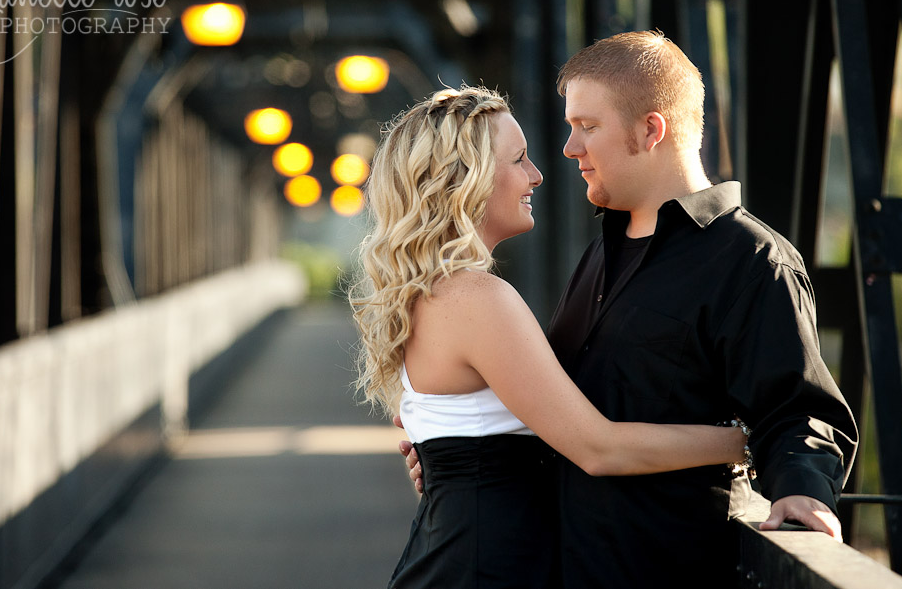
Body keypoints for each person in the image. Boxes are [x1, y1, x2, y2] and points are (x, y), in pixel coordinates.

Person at [400, 32, 859, 588]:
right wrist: (465, 453)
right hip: (570, 567)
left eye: (586, 127)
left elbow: (801, 410)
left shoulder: (750, 260)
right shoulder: (597, 257)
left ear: (650, 129)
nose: (569, 149)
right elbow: (566, 414)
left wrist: (802, 491)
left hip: (669, 567)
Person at [350, 85, 749, 589]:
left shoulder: (438, 294)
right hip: (482, 571)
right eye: (518, 160)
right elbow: (598, 448)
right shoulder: (475, 297)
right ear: (462, 180)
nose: (536, 175)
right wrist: (746, 440)